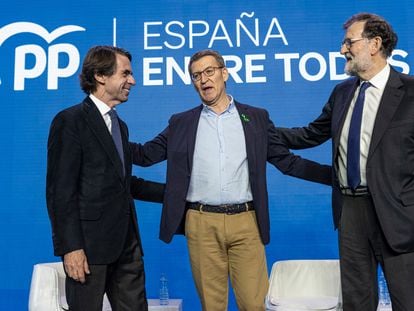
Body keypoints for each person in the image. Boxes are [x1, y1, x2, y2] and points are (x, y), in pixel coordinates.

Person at [130, 49, 331, 310]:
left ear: (224, 73)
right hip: (201, 223)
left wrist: (337, 178)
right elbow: (146, 155)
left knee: (254, 305)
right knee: (212, 306)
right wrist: (107, 136)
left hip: (247, 222)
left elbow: (288, 162)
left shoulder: (256, 117)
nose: (203, 80)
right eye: (196, 76)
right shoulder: (181, 123)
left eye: (209, 71)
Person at [276, 13, 414, 311]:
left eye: (349, 42)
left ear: (374, 44)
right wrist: (259, 129)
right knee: (356, 302)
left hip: (398, 216)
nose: (342, 49)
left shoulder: (411, 92)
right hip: (350, 210)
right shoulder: (342, 91)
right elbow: (312, 134)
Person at [46, 45, 164, 311]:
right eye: (126, 73)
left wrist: (177, 193)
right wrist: (71, 248)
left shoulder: (119, 126)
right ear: (100, 76)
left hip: (128, 247)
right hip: (88, 250)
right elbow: (60, 192)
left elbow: (123, 184)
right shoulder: (70, 121)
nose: (132, 81)